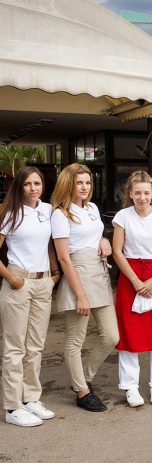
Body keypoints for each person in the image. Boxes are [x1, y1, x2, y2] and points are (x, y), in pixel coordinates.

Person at [52, 163, 119, 413]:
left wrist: (104, 240)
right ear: (68, 184)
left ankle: (83, 378)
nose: (84, 187)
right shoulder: (61, 214)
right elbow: (64, 257)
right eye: (79, 182)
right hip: (77, 273)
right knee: (75, 339)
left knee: (112, 336)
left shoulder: (92, 208)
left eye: (88, 182)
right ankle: (82, 391)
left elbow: (94, 234)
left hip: (99, 273)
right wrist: (80, 295)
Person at [0, 167, 60, 427]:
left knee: (36, 346)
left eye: (37, 183)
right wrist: (12, 279)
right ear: (19, 187)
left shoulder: (47, 210)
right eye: (27, 184)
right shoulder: (9, 212)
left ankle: (31, 398)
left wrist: (55, 275)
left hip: (43, 282)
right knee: (15, 348)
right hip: (18, 281)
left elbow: (50, 244)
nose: (33, 188)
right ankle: (12, 407)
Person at [112, 171, 152, 407]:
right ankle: (130, 387)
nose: (142, 197)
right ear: (130, 193)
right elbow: (117, 251)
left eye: (146, 193)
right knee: (129, 333)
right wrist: (136, 281)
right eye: (137, 193)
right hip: (130, 276)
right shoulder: (122, 216)